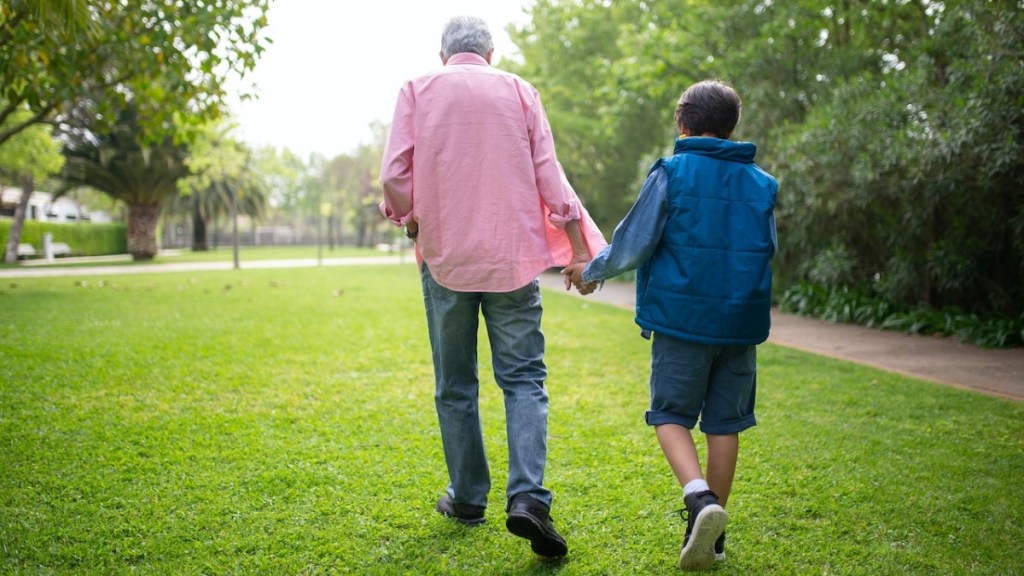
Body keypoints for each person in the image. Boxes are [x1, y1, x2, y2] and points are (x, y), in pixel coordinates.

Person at [379, 15, 605, 559]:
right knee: (524, 379)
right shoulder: (520, 92)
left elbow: (393, 175)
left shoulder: (417, 89)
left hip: (446, 260)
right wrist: (578, 246)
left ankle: (467, 499)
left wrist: (407, 216)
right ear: (491, 52)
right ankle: (527, 497)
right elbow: (550, 176)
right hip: (511, 260)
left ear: (443, 55)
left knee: (455, 384)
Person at [563, 79, 778, 571]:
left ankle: (700, 501)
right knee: (725, 424)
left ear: (683, 123)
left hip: (683, 322)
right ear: (731, 127)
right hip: (740, 326)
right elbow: (767, 251)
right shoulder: (763, 184)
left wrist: (590, 271)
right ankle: (711, 537)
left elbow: (635, 242)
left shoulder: (672, 173)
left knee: (670, 416)